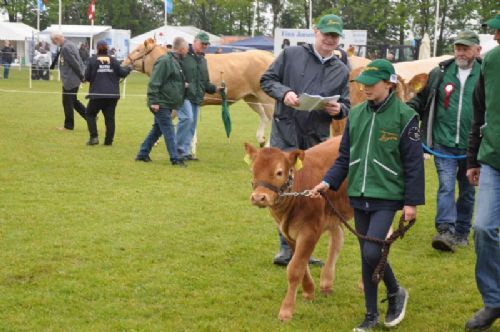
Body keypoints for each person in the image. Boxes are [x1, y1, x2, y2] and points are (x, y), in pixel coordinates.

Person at [311, 59, 425, 331]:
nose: (364, 89)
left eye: (371, 84)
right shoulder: (357, 114)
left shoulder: (405, 116)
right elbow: (344, 157)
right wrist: (328, 182)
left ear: (389, 84)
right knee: (367, 254)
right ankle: (371, 314)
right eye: (362, 84)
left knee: (373, 251)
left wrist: (411, 202)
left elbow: (413, 163)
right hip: (358, 194)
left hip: (387, 195)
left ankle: (395, 291)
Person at [260, 14, 350, 266]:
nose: (329, 40)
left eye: (334, 36)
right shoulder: (291, 55)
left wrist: (338, 110)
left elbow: (346, 104)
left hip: (316, 142)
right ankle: (286, 248)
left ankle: (304, 247)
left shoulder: (341, 69)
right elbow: (267, 80)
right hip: (286, 134)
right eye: (326, 34)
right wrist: (285, 92)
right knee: (281, 189)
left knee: (310, 193)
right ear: (315, 32)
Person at [407, 30, 482, 252]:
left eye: (465, 48)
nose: (460, 52)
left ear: (477, 50)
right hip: (443, 143)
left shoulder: (486, 73)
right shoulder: (439, 73)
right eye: (458, 47)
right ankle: (445, 231)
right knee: (446, 187)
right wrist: (406, 114)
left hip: (473, 146)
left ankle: (461, 232)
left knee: (468, 191)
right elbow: (420, 100)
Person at [465, 13, 500, 332]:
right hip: (492, 160)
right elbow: (480, 111)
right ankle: (494, 300)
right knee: (484, 228)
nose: (497, 36)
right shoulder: (490, 62)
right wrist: (473, 159)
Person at [135, 37, 188, 167]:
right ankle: (175, 158)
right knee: (169, 130)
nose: (187, 51)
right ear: (182, 49)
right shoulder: (165, 61)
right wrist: (153, 101)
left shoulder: (174, 61)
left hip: (167, 102)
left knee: (157, 129)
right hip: (160, 102)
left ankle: (142, 154)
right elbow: (154, 82)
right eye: (186, 48)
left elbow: (170, 80)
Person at [176, 32, 220, 161]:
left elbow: (204, 82)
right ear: (195, 41)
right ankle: (178, 150)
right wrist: (180, 84)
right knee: (187, 119)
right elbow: (175, 72)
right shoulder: (182, 55)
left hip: (197, 96)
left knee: (192, 124)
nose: (205, 46)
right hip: (184, 95)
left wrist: (216, 89)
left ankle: (185, 151)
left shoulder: (203, 60)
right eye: (203, 43)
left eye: (207, 44)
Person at [84, 40, 131, 146]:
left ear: (97, 48)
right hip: (112, 95)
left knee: (90, 114)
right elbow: (122, 73)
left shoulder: (92, 60)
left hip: (97, 94)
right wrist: (129, 69)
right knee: (110, 118)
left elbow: (87, 77)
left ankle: (94, 137)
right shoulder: (114, 60)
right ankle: (108, 141)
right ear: (107, 48)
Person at [50, 31, 87, 131]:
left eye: (54, 42)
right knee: (73, 101)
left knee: (67, 102)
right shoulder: (70, 44)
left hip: (70, 80)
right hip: (73, 78)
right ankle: (90, 117)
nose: (54, 44)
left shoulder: (66, 47)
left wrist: (82, 76)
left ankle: (68, 126)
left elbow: (75, 63)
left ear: (57, 39)